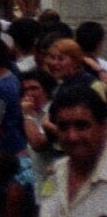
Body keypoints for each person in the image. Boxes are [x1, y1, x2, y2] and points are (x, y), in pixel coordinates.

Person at [43, 82, 107, 217]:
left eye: (82, 126)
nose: (72, 137)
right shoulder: (54, 174)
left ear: (103, 127)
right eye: (63, 127)